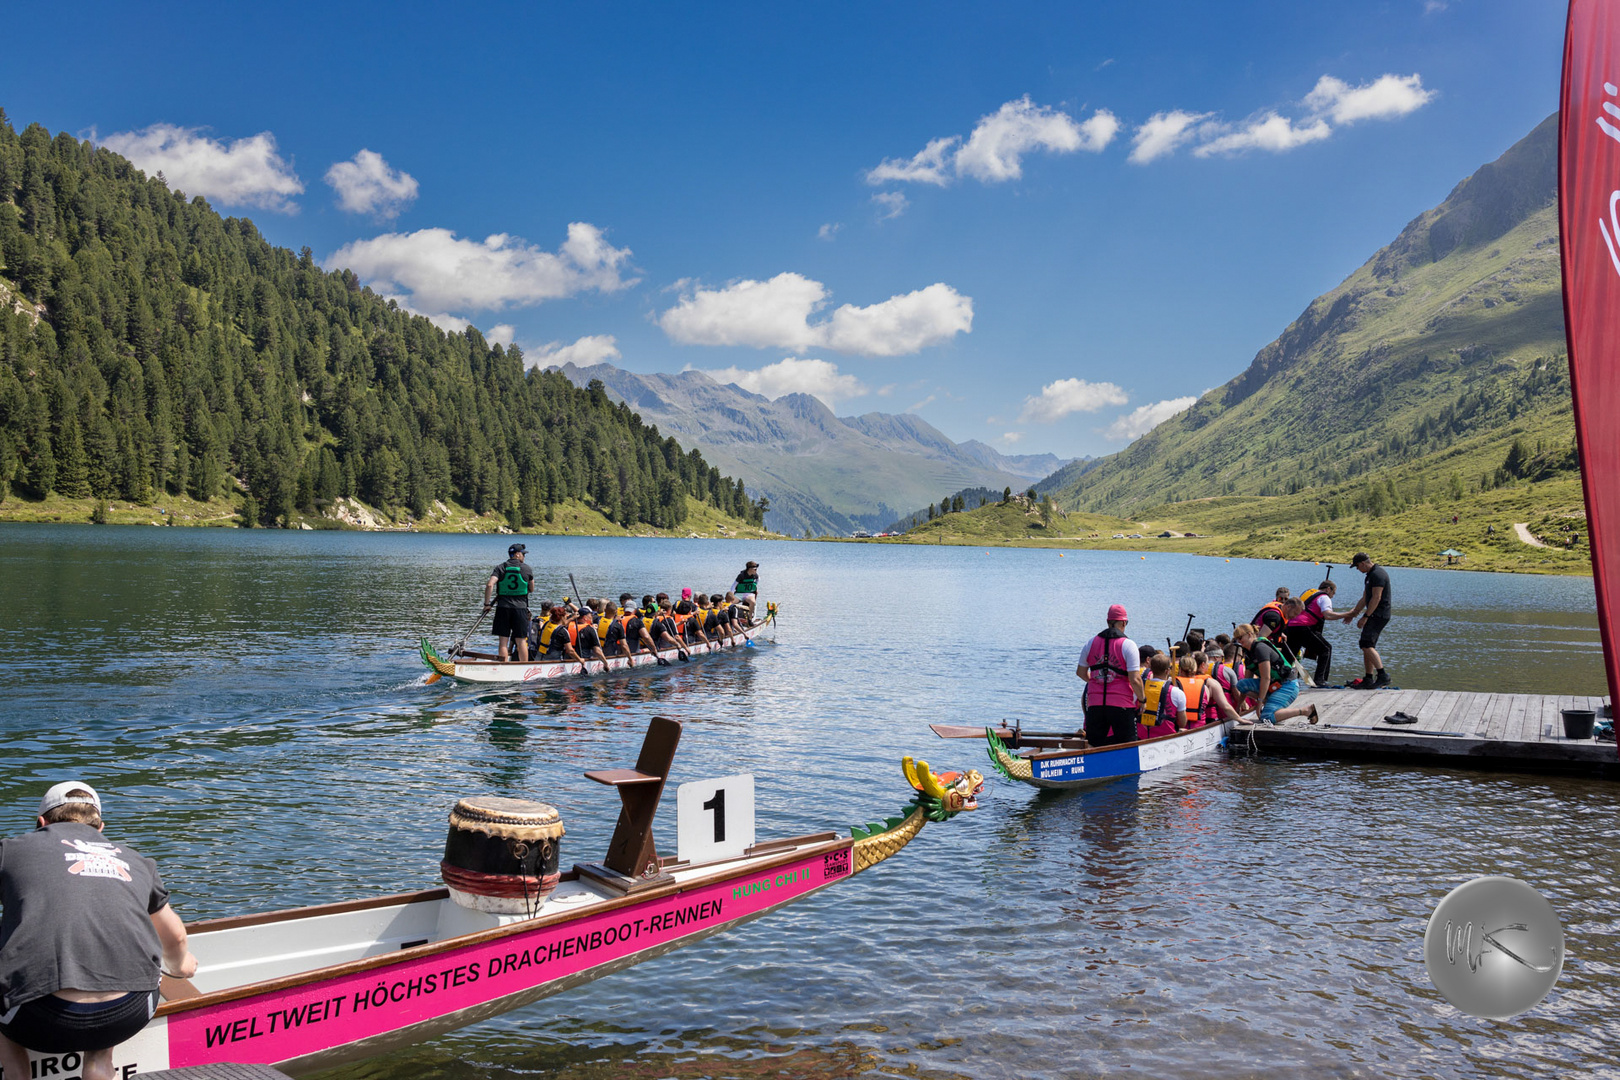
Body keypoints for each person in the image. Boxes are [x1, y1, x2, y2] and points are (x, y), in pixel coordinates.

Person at [0, 783, 198, 1080]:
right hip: (127, 1012)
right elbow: (177, 937)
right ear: (100, 828)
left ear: (41, 823)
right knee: (107, 1022)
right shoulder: (138, 861)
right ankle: (98, 1064)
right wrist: (182, 967)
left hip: (38, 1019)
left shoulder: (10, 850)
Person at [1076, 605, 1146, 747]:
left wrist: (1097, 681)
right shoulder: (1128, 645)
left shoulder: (1090, 643)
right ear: (1124, 622)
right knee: (1127, 746)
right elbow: (1135, 679)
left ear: (1108, 621)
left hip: (1095, 705)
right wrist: (1142, 700)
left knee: (1095, 746)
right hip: (1122, 705)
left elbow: (1080, 672)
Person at [1232, 623, 1316, 724]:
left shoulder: (1260, 648)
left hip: (1288, 685)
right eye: (1237, 639)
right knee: (1241, 684)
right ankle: (1268, 701)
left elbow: (1266, 678)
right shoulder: (1249, 653)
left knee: (1266, 717)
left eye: (1240, 637)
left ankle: (1306, 711)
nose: (1239, 641)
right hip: (1273, 685)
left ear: (1249, 635)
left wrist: (1259, 702)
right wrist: (1238, 707)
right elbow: (1246, 682)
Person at [1341, 553, 1393, 689]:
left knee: (1366, 644)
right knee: (1366, 645)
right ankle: (1368, 678)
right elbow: (1365, 598)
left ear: (1363, 563)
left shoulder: (1378, 575)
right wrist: (1353, 613)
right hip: (1374, 614)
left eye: (1357, 566)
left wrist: (1366, 617)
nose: (1357, 569)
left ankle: (1383, 675)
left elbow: (1376, 598)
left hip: (1379, 614)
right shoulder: (1370, 576)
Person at [1285, 580, 1344, 685]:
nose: (1332, 596)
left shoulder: (1309, 593)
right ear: (1328, 589)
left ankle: (1281, 678)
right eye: (1333, 593)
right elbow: (1328, 615)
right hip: (1303, 627)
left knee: (1289, 656)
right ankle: (1320, 680)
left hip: (1290, 627)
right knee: (1326, 649)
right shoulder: (1325, 597)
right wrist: (1347, 614)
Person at [482, 543, 534, 662]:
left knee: (503, 642)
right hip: (520, 609)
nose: (524, 557)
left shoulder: (501, 567)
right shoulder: (527, 568)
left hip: (503, 608)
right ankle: (524, 668)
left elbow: (490, 584)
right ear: (517, 554)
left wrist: (487, 604)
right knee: (521, 641)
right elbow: (531, 589)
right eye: (523, 554)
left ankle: (503, 666)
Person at [1139, 654, 1186, 738]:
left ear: (1151, 669)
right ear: (1167, 671)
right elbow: (1182, 723)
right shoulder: (1177, 692)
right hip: (1166, 738)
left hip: (1142, 737)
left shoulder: (1139, 689)